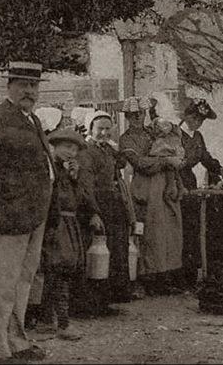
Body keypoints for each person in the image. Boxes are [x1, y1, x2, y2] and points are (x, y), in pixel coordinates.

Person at [0, 61, 54, 362]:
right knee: (4, 282)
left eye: (33, 86)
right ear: (9, 86)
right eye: (22, 84)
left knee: (23, 281)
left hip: (34, 214)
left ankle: (16, 342)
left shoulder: (31, 120)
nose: (29, 91)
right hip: (9, 214)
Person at [119, 97, 184, 297]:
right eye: (133, 115)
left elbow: (172, 144)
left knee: (169, 233)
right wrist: (166, 161)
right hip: (145, 186)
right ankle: (148, 279)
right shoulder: (126, 139)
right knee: (150, 234)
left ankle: (165, 277)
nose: (137, 117)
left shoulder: (152, 131)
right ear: (128, 117)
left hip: (165, 184)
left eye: (140, 113)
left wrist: (173, 167)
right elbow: (139, 163)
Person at [39, 129, 94, 341]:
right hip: (55, 223)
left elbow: (78, 199)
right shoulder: (49, 169)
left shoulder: (68, 172)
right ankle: (60, 322)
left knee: (60, 271)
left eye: (74, 149)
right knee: (57, 271)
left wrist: (74, 178)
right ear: (54, 146)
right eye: (66, 147)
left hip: (68, 224)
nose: (71, 152)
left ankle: (50, 319)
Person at [76, 111, 133, 314]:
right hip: (96, 203)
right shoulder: (86, 151)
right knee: (97, 252)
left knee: (114, 249)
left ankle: (108, 298)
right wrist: (94, 212)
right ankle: (93, 303)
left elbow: (121, 164)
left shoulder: (107, 149)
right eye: (100, 128)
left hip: (112, 202)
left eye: (108, 129)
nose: (104, 132)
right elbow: (86, 185)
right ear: (91, 129)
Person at [178, 98, 223, 289]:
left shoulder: (198, 137)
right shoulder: (175, 134)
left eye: (201, 120)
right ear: (186, 116)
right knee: (181, 229)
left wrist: (221, 170)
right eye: (194, 117)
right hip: (175, 182)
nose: (197, 122)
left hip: (190, 182)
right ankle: (179, 276)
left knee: (193, 228)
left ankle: (191, 275)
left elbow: (206, 158)